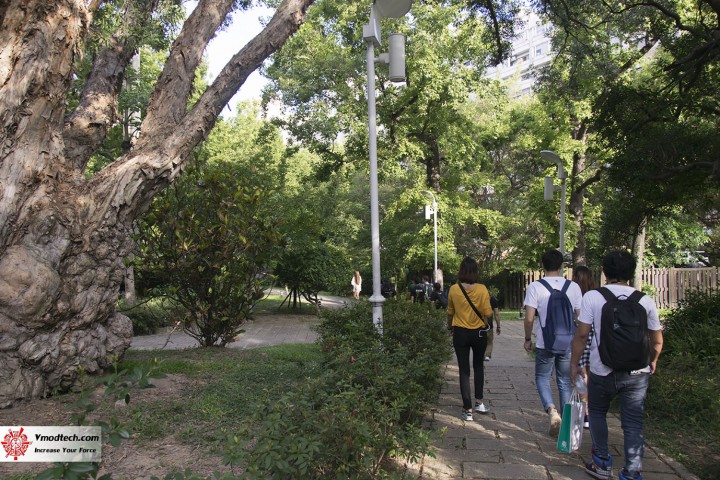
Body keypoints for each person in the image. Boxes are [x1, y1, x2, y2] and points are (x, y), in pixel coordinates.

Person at [571, 251, 663, 480]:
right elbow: (657, 339)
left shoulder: (593, 297)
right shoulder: (645, 300)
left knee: (599, 413)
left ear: (604, 271)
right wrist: (652, 359)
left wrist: (574, 364)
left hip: (602, 369)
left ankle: (601, 462)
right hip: (637, 372)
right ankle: (632, 471)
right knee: (633, 421)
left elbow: (582, 335)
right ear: (630, 273)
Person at [523, 249, 583, 437]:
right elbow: (579, 317)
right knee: (564, 381)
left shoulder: (535, 287)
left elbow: (529, 318)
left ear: (542, 265)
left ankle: (551, 411)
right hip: (568, 342)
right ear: (561, 266)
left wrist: (527, 339)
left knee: (542, 377)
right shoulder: (573, 287)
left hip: (545, 341)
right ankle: (565, 424)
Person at [447, 257, 493, 421]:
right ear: (475, 272)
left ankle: (467, 410)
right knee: (478, 366)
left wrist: (449, 327)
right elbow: (488, 313)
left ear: (461, 271)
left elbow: (450, 312)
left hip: (460, 333)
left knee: (464, 371)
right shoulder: (482, 289)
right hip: (479, 333)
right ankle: (479, 402)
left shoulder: (454, 289)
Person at [573, 265, 597, 429]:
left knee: (580, 374)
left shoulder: (575, 295)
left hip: (580, 336)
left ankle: (585, 411)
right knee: (590, 373)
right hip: (595, 338)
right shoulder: (595, 296)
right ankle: (591, 410)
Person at [485, 295, 501, 361]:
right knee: (489, 341)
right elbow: (496, 314)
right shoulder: (492, 299)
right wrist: (498, 326)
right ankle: (487, 355)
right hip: (488, 324)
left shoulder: (475, 296)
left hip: (477, 324)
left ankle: (480, 354)